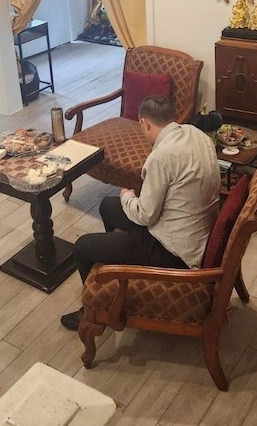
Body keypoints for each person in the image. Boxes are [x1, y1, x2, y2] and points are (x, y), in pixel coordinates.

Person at [60, 94, 221, 330]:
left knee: (83, 247)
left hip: (171, 250)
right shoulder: (195, 134)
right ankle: (118, 274)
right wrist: (128, 200)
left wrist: (127, 196)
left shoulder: (161, 157)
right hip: (189, 230)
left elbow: (146, 215)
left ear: (145, 123)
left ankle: (93, 312)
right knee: (107, 206)